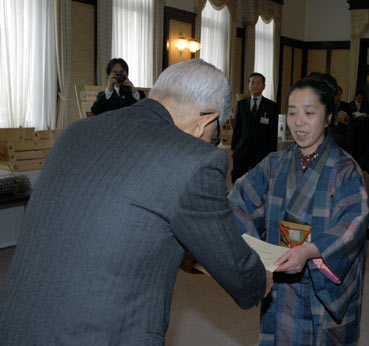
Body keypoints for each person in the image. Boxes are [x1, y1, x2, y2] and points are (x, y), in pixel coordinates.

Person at [0, 59, 273, 345]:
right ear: (206, 120)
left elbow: (120, 216)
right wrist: (258, 280)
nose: (210, 142)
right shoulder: (194, 159)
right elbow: (233, 265)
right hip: (99, 333)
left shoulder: (76, 132)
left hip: (17, 322)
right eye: (213, 135)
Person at [229, 74, 369, 345]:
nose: (298, 121)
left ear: (328, 117)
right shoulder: (274, 163)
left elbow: (354, 222)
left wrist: (307, 251)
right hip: (281, 275)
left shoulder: (345, 169)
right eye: (292, 113)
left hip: (320, 280)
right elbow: (237, 200)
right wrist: (256, 252)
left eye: (309, 112)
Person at [231, 72, 279, 183]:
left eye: (258, 83)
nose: (255, 85)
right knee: (238, 179)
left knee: (259, 181)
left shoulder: (271, 106)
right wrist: (234, 147)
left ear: (264, 86)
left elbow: (273, 132)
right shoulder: (241, 104)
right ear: (248, 85)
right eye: (252, 82)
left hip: (261, 152)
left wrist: (273, 153)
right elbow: (237, 127)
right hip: (242, 150)